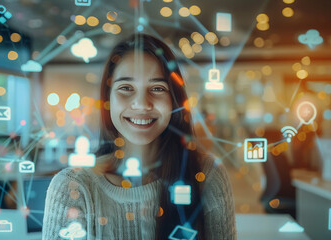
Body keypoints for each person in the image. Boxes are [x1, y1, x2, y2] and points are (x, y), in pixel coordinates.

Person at [43, 34, 236, 239]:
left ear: (174, 100)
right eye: (126, 88)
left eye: (157, 88)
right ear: (107, 99)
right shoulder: (73, 187)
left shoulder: (207, 176)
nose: (142, 104)